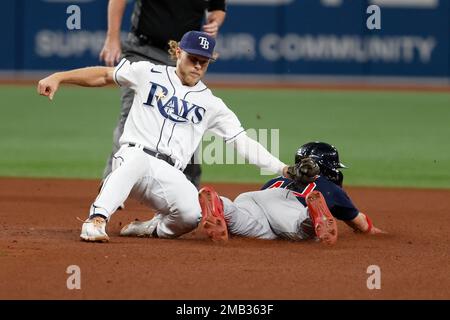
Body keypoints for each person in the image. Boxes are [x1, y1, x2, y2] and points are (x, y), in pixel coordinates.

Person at [37, 30, 289, 242]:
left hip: (169, 174)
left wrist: (282, 168)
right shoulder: (148, 72)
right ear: (178, 52)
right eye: (193, 58)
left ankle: (151, 228)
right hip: (133, 156)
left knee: (193, 215)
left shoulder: (213, 104)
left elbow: (242, 141)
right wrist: (60, 77)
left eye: (205, 61)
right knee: (135, 161)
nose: (198, 65)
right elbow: (104, 75)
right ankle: (96, 220)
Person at [121, 141, 385, 245]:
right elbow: (361, 224)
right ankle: (313, 216)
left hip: (257, 197)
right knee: (298, 228)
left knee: (245, 220)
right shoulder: (328, 188)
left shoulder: (277, 180)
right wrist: (376, 233)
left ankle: (220, 205)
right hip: (292, 206)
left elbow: (265, 207)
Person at [99, 0, 227, 189]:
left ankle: (189, 187)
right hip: (143, 50)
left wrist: (215, 21)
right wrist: (112, 37)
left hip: (183, 59)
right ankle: (113, 183)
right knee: (130, 116)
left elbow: (218, 8)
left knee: (186, 119)